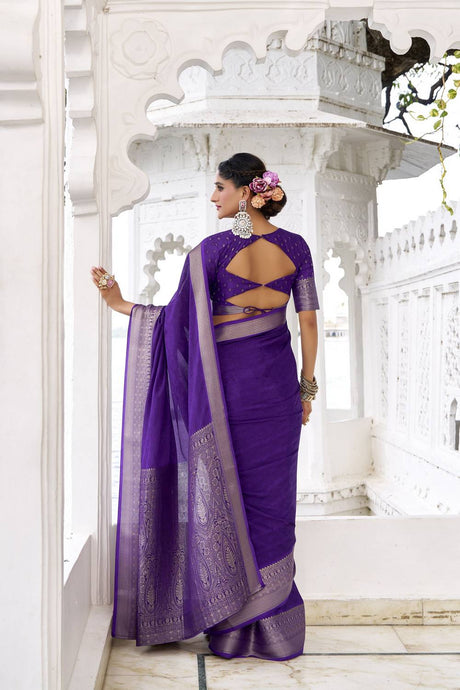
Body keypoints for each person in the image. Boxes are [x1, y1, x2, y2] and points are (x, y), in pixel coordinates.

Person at [90, 152, 319, 661]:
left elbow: (176, 321)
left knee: (226, 499)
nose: (213, 197)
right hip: (279, 395)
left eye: (220, 187)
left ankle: (232, 629)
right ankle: (276, 629)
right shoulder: (297, 247)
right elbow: (307, 322)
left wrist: (121, 304)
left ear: (246, 193)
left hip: (226, 397)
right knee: (273, 505)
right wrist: (307, 390)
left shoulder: (211, 252)